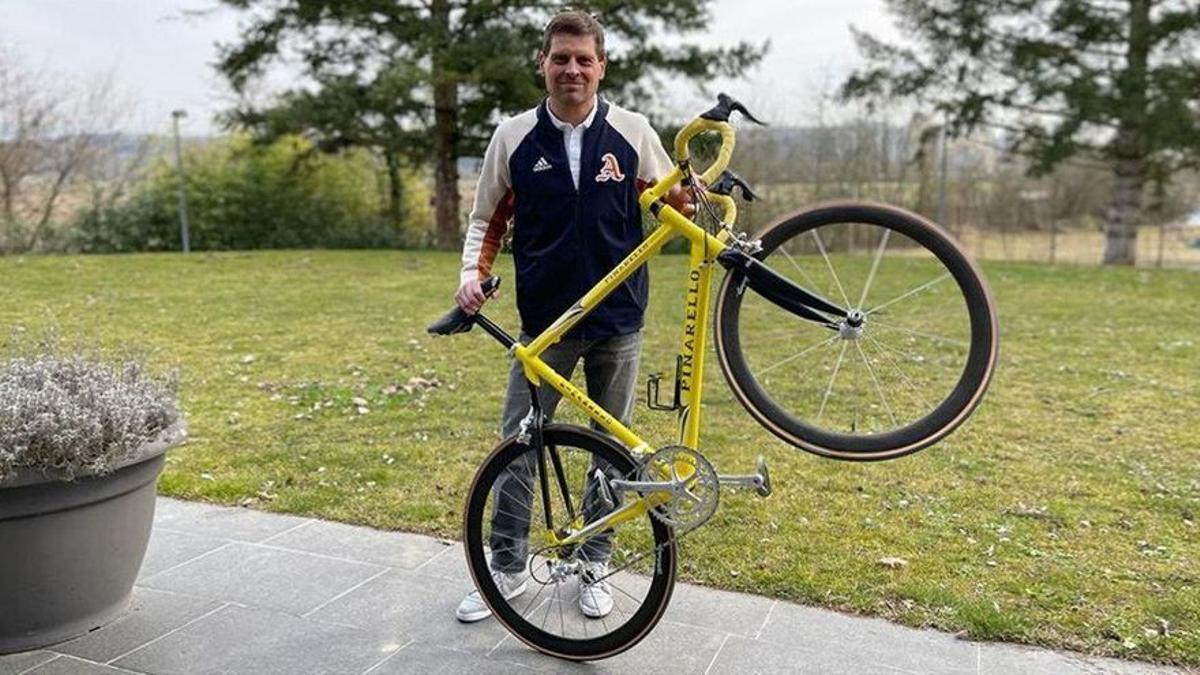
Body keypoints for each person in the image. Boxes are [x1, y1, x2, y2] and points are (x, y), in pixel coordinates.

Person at [453, 9, 693, 623]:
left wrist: (694, 193)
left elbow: (676, 203)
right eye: (561, 58)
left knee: (612, 448)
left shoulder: (634, 132)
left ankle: (593, 562)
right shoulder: (512, 137)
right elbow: (486, 220)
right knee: (520, 444)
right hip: (545, 326)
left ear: (602, 67)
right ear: (543, 63)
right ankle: (505, 569)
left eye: (584, 59)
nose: (572, 70)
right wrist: (471, 276)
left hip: (619, 321)